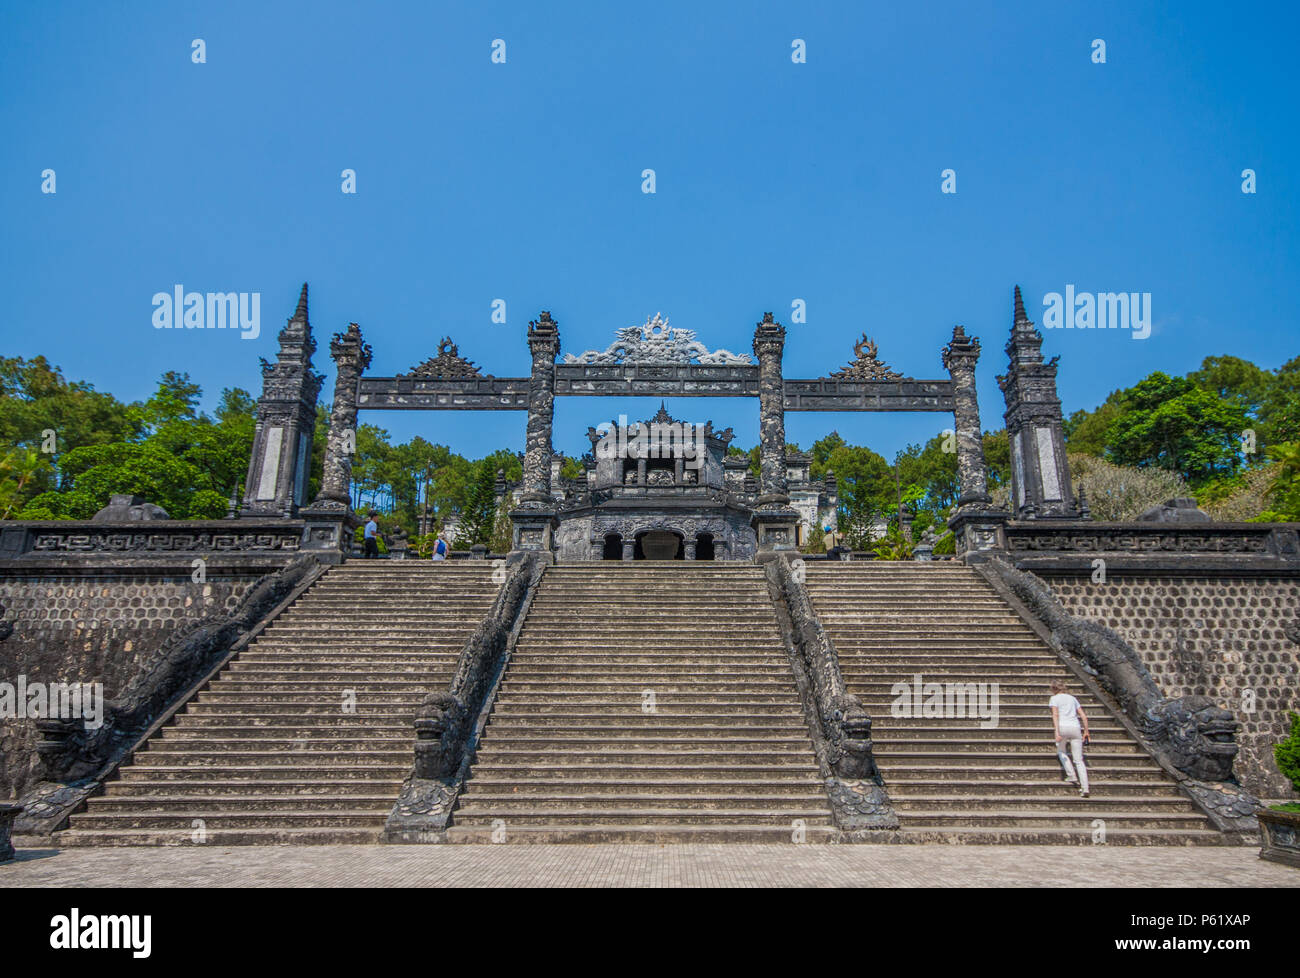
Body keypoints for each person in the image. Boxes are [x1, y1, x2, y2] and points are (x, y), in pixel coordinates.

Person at [1049, 679, 1090, 798]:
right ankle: (1085, 787)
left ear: (1053, 689)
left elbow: (1055, 715)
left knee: (1061, 751)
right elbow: (1083, 715)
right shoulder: (1072, 698)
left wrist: (1056, 731)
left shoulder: (1054, 699)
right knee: (1079, 760)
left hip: (1063, 726)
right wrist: (1086, 731)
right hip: (1075, 727)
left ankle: (1071, 774)